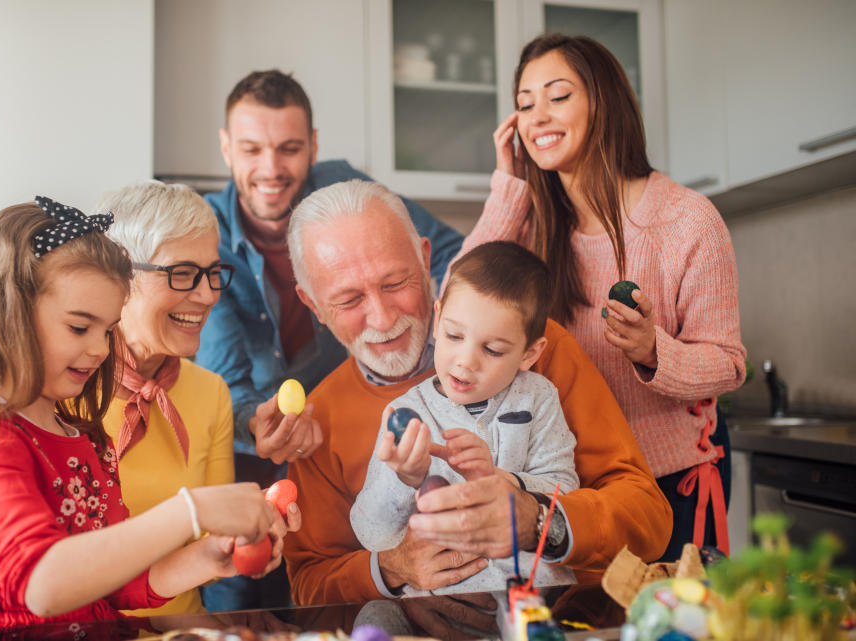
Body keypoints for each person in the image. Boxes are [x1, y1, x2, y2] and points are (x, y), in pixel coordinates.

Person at [0, 182, 303, 631]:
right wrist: (194, 509)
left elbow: (112, 582)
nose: (98, 349)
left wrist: (208, 557)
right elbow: (41, 582)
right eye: (79, 328)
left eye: (107, 330)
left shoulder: (82, 433)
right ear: (9, 315)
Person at [282, 179, 672, 606]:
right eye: (349, 298)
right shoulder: (318, 423)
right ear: (313, 305)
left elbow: (648, 516)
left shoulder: (534, 351)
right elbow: (309, 585)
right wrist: (390, 569)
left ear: (425, 259)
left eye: (395, 283)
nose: (381, 316)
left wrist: (539, 521)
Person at [457, 33, 746, 560]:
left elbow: (727, 365)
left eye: (558, 96)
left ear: (603, 102)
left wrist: (652, 351)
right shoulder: (538, 229)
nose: (537, 115)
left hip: (669, 483)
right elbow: (459, 304)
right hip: (568, 487)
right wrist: (508, 185)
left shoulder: (687, 220)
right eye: (525, 104)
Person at [194, 69, 462, 611]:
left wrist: (458, 340)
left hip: (341, 462)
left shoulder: (345, 190)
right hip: (251, 478)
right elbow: (227, 382)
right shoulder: (208, 237)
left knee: (338, 601)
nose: (271, 169)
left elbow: (459, 251)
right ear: (226, 148)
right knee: (243, 603)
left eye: (290, 149)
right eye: (251, 149)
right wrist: (256, 425)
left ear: (313, 146)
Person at [351, 241, 579, 594]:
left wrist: (500, 478)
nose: (465, 361)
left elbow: (567, 493)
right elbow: (371, 533)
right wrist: (404, 477)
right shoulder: (404, 414)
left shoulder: (538, 396)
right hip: (439, 606)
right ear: (438, 319)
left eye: (493, 350)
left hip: (536, 601)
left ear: (529, 353)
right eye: (454, 335)